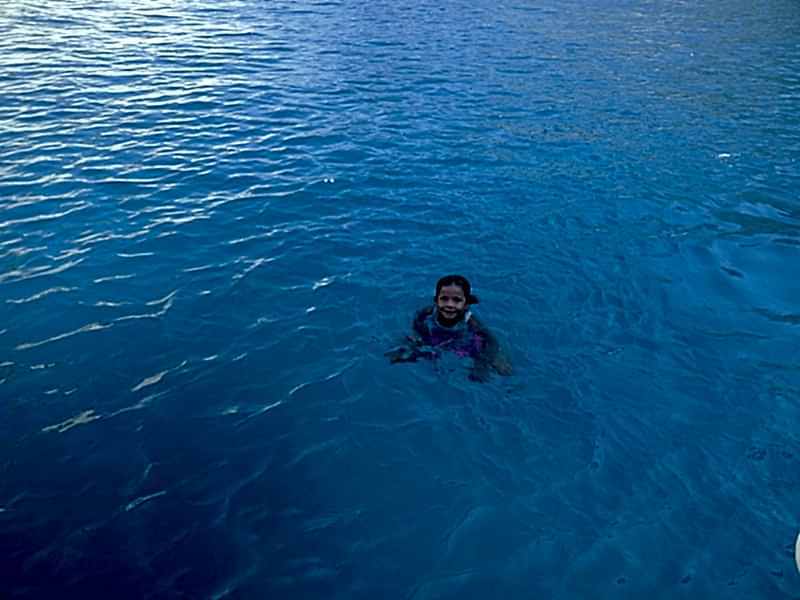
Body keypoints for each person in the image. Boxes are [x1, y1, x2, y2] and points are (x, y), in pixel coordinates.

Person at [385, 275, 512, 381]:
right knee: (401, 353)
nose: (450, 304)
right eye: (444, 299)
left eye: (457, 300)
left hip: (463, 340)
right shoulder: (429, 311)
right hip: (436, 337)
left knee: (502, 369)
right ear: (436, 300)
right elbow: (418, 319)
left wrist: (482, 363)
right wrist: (417, 334)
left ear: (466, 304)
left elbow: (492, 340)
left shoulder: (471, 320)